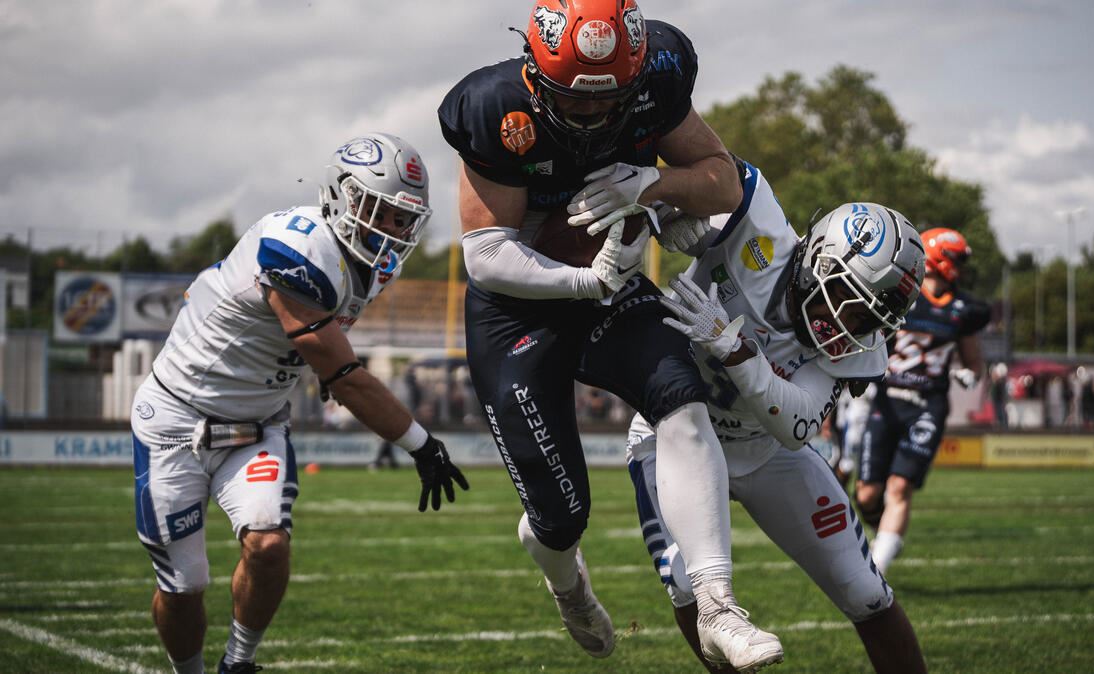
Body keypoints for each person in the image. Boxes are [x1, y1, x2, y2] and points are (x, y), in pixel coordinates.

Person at [437, 1, 781, 669]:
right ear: (534, 74)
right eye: (574, 99)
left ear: (635, 73)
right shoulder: (493, 107)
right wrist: (583, 282)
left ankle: (717, 605)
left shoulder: (659, 73)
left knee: (681, 396)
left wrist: (655, 184)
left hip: (609, 281)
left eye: (607, 100)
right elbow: (484, 253)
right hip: (518, 307)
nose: (591, 116)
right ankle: (566, 584)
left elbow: (723, 181)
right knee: (560, 520)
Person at [131, 133, 468, 674]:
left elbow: (325, 352)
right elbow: (346, 374)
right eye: (382, 212)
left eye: (404, 220)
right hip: (177, 420)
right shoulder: (298, 246)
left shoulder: (373, 264)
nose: (393, 231)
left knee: (268, 547)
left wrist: (322, 367)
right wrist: (421, 445)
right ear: (342, 197)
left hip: (259, 421)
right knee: (185, 584)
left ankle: (237, 664)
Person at [626, 159, 928, 673]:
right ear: (822, 264)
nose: (850, 329)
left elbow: (796, 427)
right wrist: (669, 206)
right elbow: (712, 172)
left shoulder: (856, 347)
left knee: (864, 589)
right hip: (673, 434)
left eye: (869, 320)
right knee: (686, 584)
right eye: (852, 307)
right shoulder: (759, 231)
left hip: (765, 453)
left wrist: (740, 355)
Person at [855, 227, 989, 574]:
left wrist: (970, 375)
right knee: (867, 494)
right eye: (956, 259)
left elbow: (974, 362)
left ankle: (876, 572)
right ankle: (883, 531)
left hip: (928, 404)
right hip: (888, 399)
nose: (959, 267)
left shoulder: (963, 308)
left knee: (900, 486)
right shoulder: (901, 294)